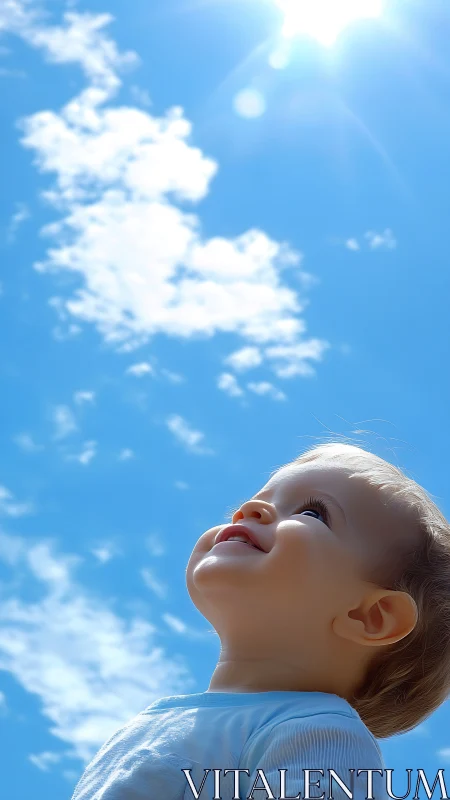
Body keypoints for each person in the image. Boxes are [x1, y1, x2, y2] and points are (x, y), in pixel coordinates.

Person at [70, 441, 450, 800]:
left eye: (312, 512)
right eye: (257, 499)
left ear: (368, 615)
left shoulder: (318, 731)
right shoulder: (147, 724)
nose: (249, 509)